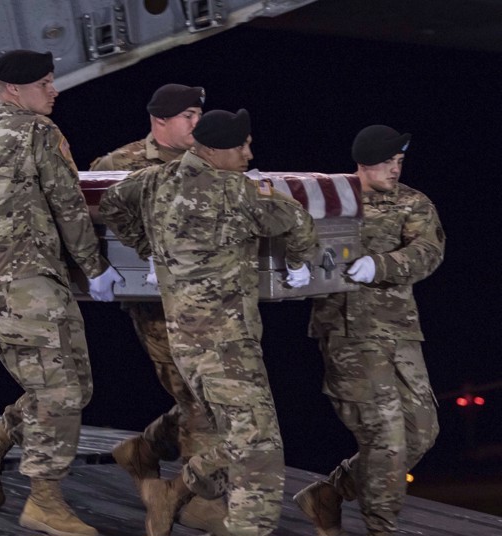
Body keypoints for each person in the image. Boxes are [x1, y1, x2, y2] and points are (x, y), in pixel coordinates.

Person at [0, 49, 124, 536]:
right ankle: (44, 500)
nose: (54, 90)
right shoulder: (39, 132)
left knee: (71, 387)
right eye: (44, 83)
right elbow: (68, 203)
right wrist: (95, 266)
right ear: (13, 90)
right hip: (27, 281)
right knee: (61, 391)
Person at [141, 109, 317, 536]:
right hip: (226, 343)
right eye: (242, 146)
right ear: (216, 150)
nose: (248, 154)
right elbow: (297, 219)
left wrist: (150, 252)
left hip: (184, 340)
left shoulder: (155, 180)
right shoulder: (235, 191)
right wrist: (299, 262)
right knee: (260, 447)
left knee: (241, 435)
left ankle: (173, 492)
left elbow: (113, 204)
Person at [294, 125, 444, 536]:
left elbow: (428, 251)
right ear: (364, 162)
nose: (395, 169)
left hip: (399, 331)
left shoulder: (412, 202)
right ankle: (382, 527)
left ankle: (331, 493)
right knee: (386, 437)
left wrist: (381, 265)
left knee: (421, 432)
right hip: (347, 333)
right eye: (387, 162)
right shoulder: (330, 199)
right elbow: (295, 239)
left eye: (400, 161)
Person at [96, 83, 228, 534]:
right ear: (160, 120)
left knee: (208, 394)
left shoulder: (211, 158)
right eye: (188, 115)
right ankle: (203, 500)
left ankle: (144, 451)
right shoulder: (121, 164)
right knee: (199, 394)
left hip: (208, 298)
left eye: (200, 115)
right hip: (157, 304)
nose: (197, 123)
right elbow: (92, 216)